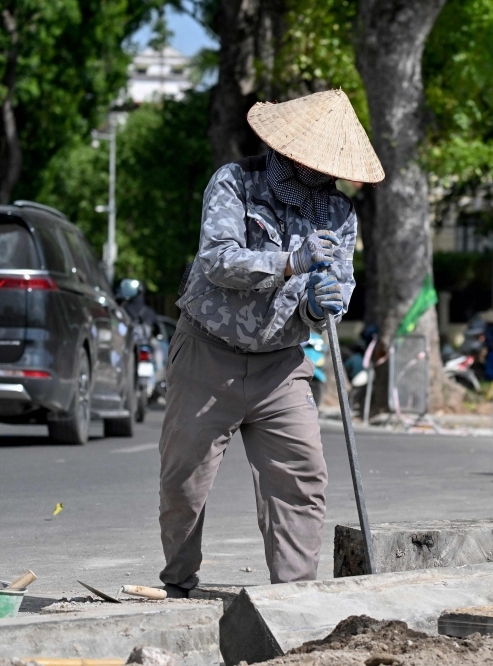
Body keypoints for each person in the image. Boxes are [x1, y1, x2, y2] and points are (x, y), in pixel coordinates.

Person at [158, 90, 384, 596]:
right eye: (317, 162)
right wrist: (288, 262)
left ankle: (293, 596)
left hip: (281, 364)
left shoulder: (340, 214)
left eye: (334, 167)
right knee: (184, 483)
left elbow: (339, 285)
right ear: (292, 149)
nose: (326, 174)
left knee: (302, 480)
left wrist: (323, 302)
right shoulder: (234, 183)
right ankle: (178, 582)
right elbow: (216, 260)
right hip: (207, 353)